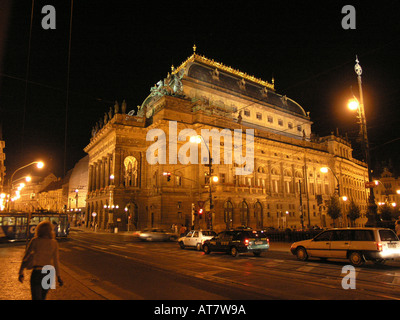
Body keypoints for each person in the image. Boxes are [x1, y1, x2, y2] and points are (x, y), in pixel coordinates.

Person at [18, 220, 63, 300]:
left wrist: (21, 272)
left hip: (37, 272)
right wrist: (58, 277)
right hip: (49, 273)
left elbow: (26, 257)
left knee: (36, 297)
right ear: (50, 231)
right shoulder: (54, 243)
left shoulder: (35, 241)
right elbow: (56, 261)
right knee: (43, 297)